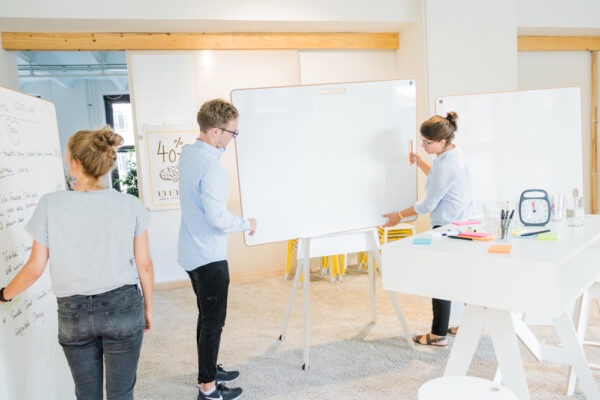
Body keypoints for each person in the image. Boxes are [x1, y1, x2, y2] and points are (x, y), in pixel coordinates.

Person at [0, 127, 154, 399]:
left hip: (73, 313)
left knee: (86, 393)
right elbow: (144, 265)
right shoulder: (130, 204)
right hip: (123, 306)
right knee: (121, 394)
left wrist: (4, 295)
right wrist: (148, 308)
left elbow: (35, 268)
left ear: (75, 162)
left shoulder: (50, 204)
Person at [178, 99, 256, 400]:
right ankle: (208, 387)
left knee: (205, 316)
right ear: (214, 131)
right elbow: (217, 217)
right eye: (231, 133)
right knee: (213, 322)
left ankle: (208, 368)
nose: (232, 139)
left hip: (191, 252)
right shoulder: (212, 168)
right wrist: (246, 223)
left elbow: (216, 149)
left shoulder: (189, 154)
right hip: (208, 257)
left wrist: (223, 143)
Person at [383, 111, 472, 347]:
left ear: (442, 142)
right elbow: (440, 180)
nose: (423, 145)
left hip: (448, 227)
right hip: (461, 224)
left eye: (428, 143)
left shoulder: (446, 165)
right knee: (458, 277)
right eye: (422, 140)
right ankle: (463, 326)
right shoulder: (455, 154)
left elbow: (427, 205)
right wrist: (421, 163)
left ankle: (438, 335)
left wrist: (398, 216)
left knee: (441, 280)